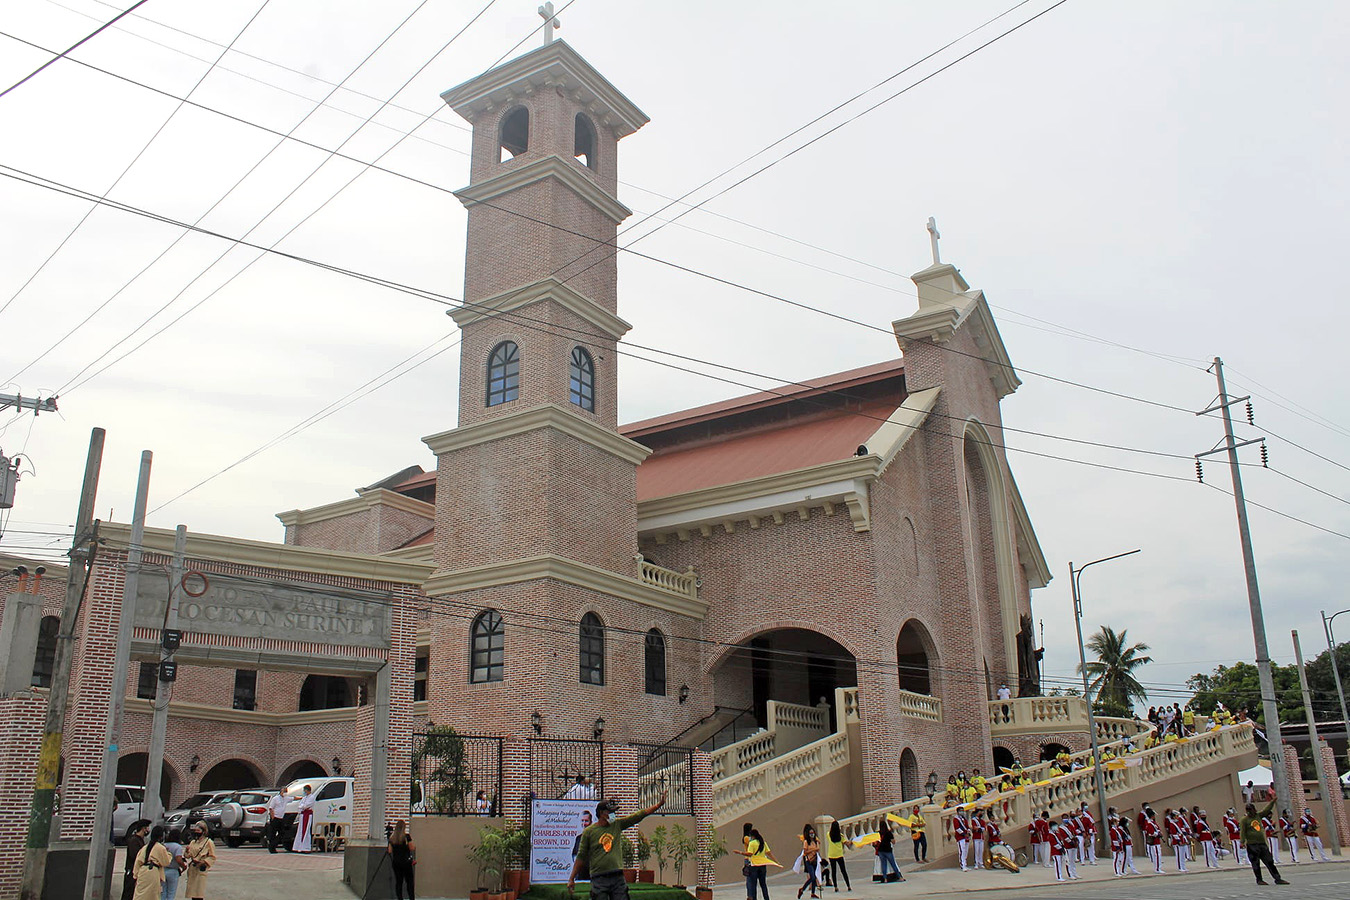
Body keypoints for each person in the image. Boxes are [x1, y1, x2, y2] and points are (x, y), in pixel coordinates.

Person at [569, 790, 667, 900]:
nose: (613, 815)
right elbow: (581, 856)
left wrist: (659, 805)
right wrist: (572, 878)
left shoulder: (617, 825)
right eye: (610, 812)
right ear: (601, 813)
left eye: (614, 812)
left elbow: (638, 816)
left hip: (617, 877)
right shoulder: (589, 832)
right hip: (599, 877)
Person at [1241, 801, 1289, 885]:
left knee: (1270, 861)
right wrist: (1242, 841)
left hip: (1262, 843)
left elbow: (1266, 810)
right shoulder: (1244, 820)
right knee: (1255, 863)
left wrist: (1273, 801)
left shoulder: (1258, 816)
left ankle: (1277, 878)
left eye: (1251, 810)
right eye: (1248, 810)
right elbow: (1242, 831)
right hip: (1252, 844)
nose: (1250, 812)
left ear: (1254, 810)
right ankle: (1259, 880)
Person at [130, 825, 173, 900]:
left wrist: (136, 876)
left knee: (140, 895)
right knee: (152, 895)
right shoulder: (160, 848)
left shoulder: (144, 847)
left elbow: (138, 862)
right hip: (152, 872)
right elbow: (166, 862)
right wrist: (168, 853)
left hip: (142, 872)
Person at [737, 824, 775, 900]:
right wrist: (775, 861)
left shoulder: (752, 842)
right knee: (760, 883)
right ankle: (754, 896)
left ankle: (751, 897)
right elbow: (768, 852)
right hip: (756, 861)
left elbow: (750, 853)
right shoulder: (748, 839)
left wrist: (740, 852)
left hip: (753, 862)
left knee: (752, 882)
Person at [182, 822, 217, 900]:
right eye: (195, 831)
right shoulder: (193, 842)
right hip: (192, 868)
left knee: (199, 892)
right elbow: (187, 856)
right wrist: (187, 851)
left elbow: (212, 857)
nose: (196, 833)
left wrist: (204, 862)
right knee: (192, 892)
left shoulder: (208, 842)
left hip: (201, 868)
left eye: (198, 831)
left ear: (203, 831)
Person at [388, 819, 417, 900]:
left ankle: (400, 898)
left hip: (396, 863)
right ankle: (411, 898)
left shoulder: (392, 838)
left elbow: (389, 851)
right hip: (406, 862)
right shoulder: (406, 837)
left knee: (399, 882)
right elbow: (412, 848)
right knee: (409, 882)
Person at [122, 819, 151, 900]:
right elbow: (135, 856)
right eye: (147, 828)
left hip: (137, 871)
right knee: (129, 893)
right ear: (143, 828)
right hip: (131, 871)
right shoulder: (134, 841)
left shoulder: (140, 840)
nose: (148, 830)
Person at [825, 820, 853, 891]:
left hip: (831, 855)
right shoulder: (841, 836)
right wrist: (852, 842)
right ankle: (848, 885)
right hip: (839, 855)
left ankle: (836, 887)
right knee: (843, 871)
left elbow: (829, 834)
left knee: (834, 872)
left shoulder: (828, 834)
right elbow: (847, 843)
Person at [796, 824, 821, 899]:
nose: (812, 834)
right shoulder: (806, 842)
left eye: (813, 833)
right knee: (812, 877)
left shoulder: (816, 841)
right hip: (809, 861)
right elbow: (805, 852)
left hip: (814, 860)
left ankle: (813, 893)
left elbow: (818, 849)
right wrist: (813, 850)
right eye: (810, 833)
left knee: (814, 876)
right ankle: (802, 889)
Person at [161, 828, 186, 900]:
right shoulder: (177, 847)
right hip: (173, 870)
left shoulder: (164, 845)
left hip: (163, 869)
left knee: (163, 892)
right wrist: (183, 866)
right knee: (171, 892)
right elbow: (178, 859)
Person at [292, 784, 315, 853]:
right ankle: (298, 846)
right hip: (302, 815)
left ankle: (306, 847)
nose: (304, 792)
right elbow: (300, 805)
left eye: (305, 791)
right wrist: (302, 806)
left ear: (308, 790)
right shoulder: (304, 797)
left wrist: (302, 806)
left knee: (306, 830)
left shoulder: (312, 797)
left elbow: (306, 806)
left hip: (307, 815)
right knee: (300, 830)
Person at [1141, 808, 1163, 873]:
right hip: (1154, 841)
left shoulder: (1153, 822)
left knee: (1158, 855)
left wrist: (1160, 832)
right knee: (1157, 855)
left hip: (1157, 841)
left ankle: (1158, 867)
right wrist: (1158, 834)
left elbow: (1157, 828)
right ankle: (1157, 868)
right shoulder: (1149, 823)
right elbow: (1151, 832)